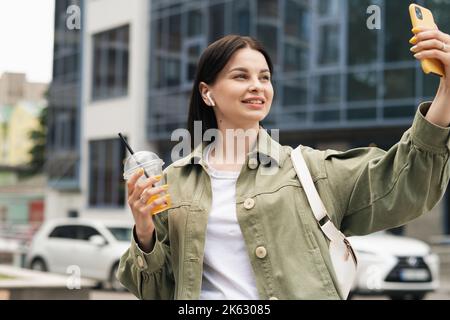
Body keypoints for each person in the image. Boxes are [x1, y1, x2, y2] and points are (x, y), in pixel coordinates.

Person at [117, 29, 450, 300]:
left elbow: (403, 179)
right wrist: (144, 230)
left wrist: (446, 90)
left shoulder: (310, 169)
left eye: (264, 77)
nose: (257, 86)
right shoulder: (173, 181)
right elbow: (155, 291)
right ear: (208, 93)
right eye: (240, 76)